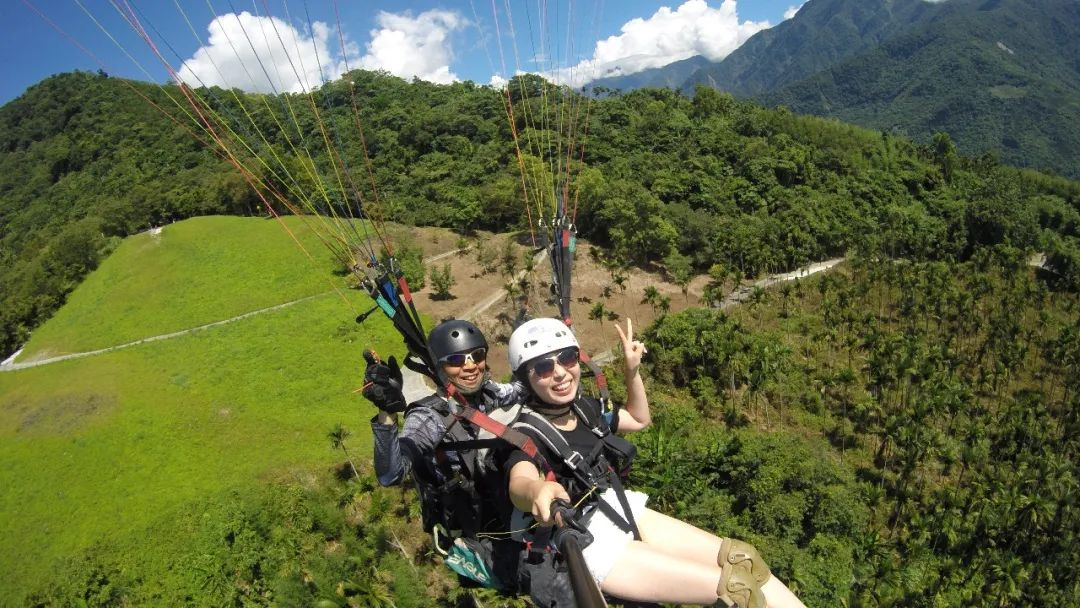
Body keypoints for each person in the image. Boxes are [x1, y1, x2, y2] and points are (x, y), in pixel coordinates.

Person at [501, 317, 807, 608]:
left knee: (742, 558)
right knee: (735, 587)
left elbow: (638, 418)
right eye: (543, 367)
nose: (560, 372)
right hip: (591, 542)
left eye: (567, 358)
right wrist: (537, 491)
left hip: (617, 508)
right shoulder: (527, 431)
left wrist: (632, 372)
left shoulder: (584, 409)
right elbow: (520, 480)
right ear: (525, 379)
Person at [365, 318, 529, 590]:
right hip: (480, 537)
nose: (469, 366)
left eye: (476, 355)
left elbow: (522, 390)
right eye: (456, 359)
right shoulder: (429, 417)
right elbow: (390, 473)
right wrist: (386, 414)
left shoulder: (489, 393)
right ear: (441, 368)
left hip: (514, 514)